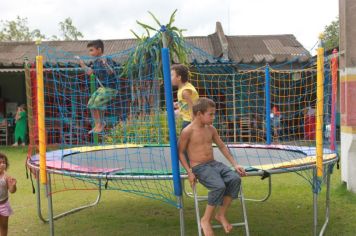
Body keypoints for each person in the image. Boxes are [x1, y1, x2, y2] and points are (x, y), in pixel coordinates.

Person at [178, 98, 246, 236]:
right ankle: (205, 220)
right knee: (219, 186)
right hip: (199, 167)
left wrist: (235, 164)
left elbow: (221, 145)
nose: (213, 117)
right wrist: (189, 172)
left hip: (214, 164)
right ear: (198, 114)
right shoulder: (187, 131)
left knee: (235, 179)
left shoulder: (211, 129)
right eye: (210, 114)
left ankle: (220, 214)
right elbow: (180, 152)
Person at [77, 39, 118, 134]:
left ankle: (102, 123)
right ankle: (97, 125)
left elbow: (111, 72)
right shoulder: (95, 62)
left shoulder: (106, 58)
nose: (90, 52)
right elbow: (90, 72)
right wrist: (82, 64)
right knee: (91, 104)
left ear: (99, 49)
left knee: (97, 102)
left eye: (91, 50)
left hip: (111, 88)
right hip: (102, 88)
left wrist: (105, 63)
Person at [171, 64, 199, 130]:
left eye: (172, 75)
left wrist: (193, 123)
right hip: (187, 120)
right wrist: (179, 104)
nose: (170, 78)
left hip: (189, 121)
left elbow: (192, 106)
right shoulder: (183, 87)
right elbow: (187, 102)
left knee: (183, 140)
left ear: (179, 77)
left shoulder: (185, 91)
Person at [0, 153, 17, 236]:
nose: (2, 164)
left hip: (4, 205)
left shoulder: (6, 177)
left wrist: (13, 185)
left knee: (4, 226)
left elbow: (12, 191)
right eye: (0, 162)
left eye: (3, 162)